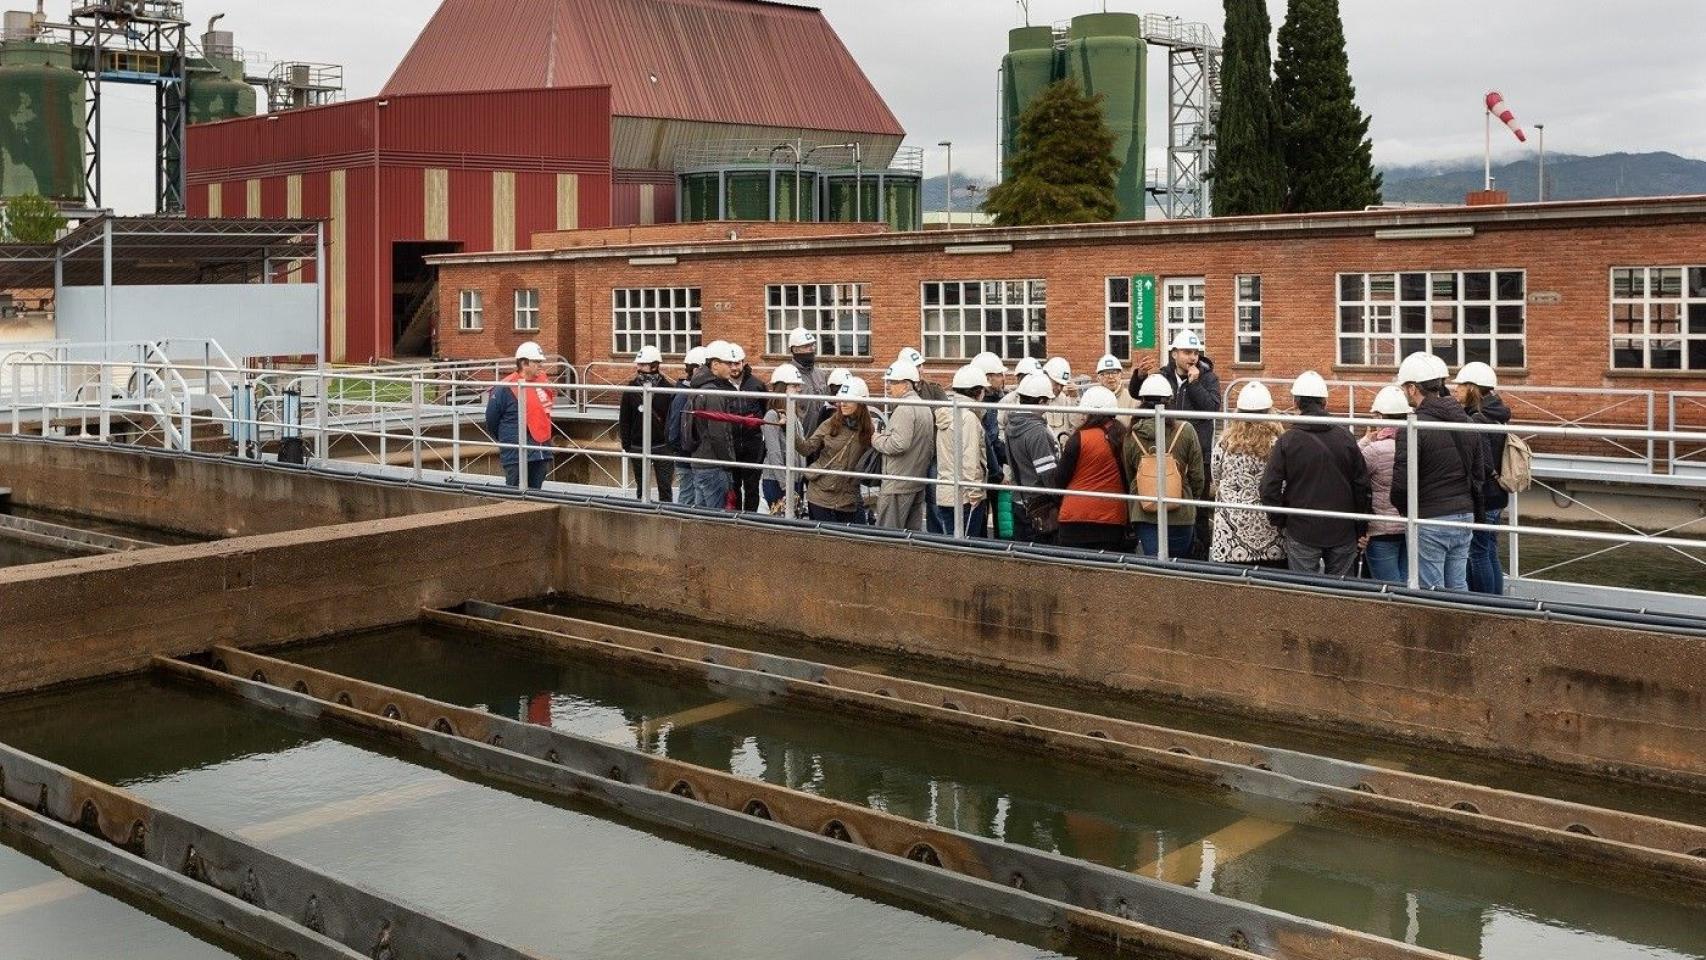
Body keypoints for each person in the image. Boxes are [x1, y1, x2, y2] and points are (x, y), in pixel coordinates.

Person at [1259, 371, 1371, 577]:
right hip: (1342, 529)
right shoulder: (1345, 437)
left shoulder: (1288, 440)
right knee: (1341, 593)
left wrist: (1281, 520)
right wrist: (1360, 527)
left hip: (1302, 529)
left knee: (1304, 594)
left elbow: (1269, 488)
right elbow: (1362, 485)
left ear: (1296, 402)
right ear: (1325, 402)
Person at [1391, 352, 1486, 591]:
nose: (1404, 393)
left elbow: (1402, 484)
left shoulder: (1413, 428)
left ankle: (1435, 630)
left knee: (1431, 590)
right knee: (1458, 585)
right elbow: (1478, 473)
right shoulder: (1465, 421)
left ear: (1413, 388)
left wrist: (1407, 512)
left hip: (1430, 517)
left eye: (1405, 388)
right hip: (1464, 514)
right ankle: (1463, 627)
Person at [1138, 331, 1221, 559]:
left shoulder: (1208, 378)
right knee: (1164, 503)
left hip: (1198, 453)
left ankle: (1200, 557)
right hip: (1166, 451)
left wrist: (1194, 385)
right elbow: (1140, 395)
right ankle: (1166, 550)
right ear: (1174, 354)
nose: (1192, 357)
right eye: (1186, 352)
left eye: (1195, 352)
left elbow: (1212, 409)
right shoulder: (1163, 375)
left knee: (1199, 508)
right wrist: (1140, 376)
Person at [1125, 374, 1205, 558]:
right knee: (1180, 566)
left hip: (1144, 514)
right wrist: (1189, 496)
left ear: (1142, 401)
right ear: (1170, 400)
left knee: (1154, 567)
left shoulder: (1131, 434)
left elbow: (1130, 474)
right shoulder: (1186, 430)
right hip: (1181, 514)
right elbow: (1197, 476)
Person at [1209, 382, 1286, 567]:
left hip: (1231, 534)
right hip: (1270, 529)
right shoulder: (1279, 443)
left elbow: (1215, 475)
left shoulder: (1225, 443)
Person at [1052, 385, 1132, 551]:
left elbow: (1059, 478)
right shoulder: (1123, 436)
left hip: (1074, 519)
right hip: (1113, 519)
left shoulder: (1079, 438)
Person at [794, 376, 874, 524]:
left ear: (861, 403)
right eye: (841, 400)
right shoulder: (830, 423)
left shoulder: (869, 430)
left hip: (848, 498)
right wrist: (789, 429)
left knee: (853, 542)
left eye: (847, 400)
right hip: (820, 494)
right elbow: (806, 449)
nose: (842, 403)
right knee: (824, 543)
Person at [870, 358, 936, 530]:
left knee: (887, 535)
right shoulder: (924, 406)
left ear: (906, 384)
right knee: (910, 536)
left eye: (893, 382)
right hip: (915, 480)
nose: (888, 387)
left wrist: (876, 438)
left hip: (898, 483)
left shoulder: (904, 409)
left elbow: (898, 444)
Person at [678, 340, 745, 509]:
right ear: (715, 365)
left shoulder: (698, 387)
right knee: (716, 517)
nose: (732, 367)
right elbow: (718, 433)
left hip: (699, 461)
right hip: (713, 464)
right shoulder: (713, 393)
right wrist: (729, 461)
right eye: (728, 363)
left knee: (701, 514)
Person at [1359, 385, 1413, 584]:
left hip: (1381, 530)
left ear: (1380, 417)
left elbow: (1352, 469)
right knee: (1408, 581)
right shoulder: (1415, 443)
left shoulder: (1374, 450)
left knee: (1388, 586)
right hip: (1409, 526)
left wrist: (1365, 440)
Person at [484, 340, 554, 490]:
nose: (541, 366)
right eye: (536, 362)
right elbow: (491, 419)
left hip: (540, 452)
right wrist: (507, 440)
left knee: (536, 494)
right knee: (514, 493)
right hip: (515, 454)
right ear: (524, 363)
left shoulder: (542, 384)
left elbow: (545, 415)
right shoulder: (505, 388)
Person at [1004, 372, 1061, 544]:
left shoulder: (1012, 424)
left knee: (1024, 558)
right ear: (1042, 401)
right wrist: (1062, 497)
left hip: (1020, 500)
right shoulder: (1036, 431)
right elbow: (1048, 474)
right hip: (1040, 506)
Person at [934, 363, 989, 537]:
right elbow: (970, 459)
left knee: (952, 546)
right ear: (977, 391)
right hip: (965, 497)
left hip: (945, 492)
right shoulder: (969, 417)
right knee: (966, 549)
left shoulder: (946, 413)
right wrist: (975, 493)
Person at [617, 345, 674, 502]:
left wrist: (670, 444)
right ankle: (643, 516)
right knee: (641, 488)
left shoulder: (668, 389)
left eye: (642, 364)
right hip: (638, 445)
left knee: (665, 487)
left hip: (662, 446)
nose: (639, 368)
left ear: (655, 366)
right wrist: (627, 444)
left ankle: (666, 518)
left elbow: (672, 419)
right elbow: (624, 418)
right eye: (638, 364)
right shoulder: (631, 389)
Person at [728, 344, 768, 511]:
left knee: (752, 487)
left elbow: (765, 410)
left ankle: (751, 519)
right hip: (732, 444)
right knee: (734, 486)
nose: (734, 367)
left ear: (743, 363)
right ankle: (735, 520)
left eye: (737, 363)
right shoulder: (721, 385)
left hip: (753, 444)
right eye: (730, 364)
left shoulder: (756, 385)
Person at [761, 363, 804, 514]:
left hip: (794, 480)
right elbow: (774, 452)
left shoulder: (794, 414)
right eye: (794, 385)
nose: (799, 389)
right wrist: (785, 485)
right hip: (777, 481)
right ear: (782, 387)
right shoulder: (772, 415)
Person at [667, 345, 707, 505]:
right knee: (687, 497)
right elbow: (674, 432)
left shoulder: (688, 393)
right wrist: (688, 450)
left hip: (691, 457)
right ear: (697, 369)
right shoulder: (684, 396)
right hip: (687, 459)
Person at [788, 326, 833, 436]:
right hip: (798, 440)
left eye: (812, 345)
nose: (812, 349)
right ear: (795, 349)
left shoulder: (821, 374)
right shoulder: (788, 375)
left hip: (820, 439)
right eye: (806, 346)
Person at [1094, 354, 1137, 426]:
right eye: (1106, 373)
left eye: (1114, 373)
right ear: (1099, 378)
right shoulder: (1093, 397)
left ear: (1120, 375)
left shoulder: (1131, 397)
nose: (1110, 377)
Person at [1042, 356, 1078, 439]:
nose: (1059, 388)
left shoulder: (1066, 400)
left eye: (1062, 385)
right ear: (1046, 376)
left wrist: (1075, 398)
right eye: (1056, 383)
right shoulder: (1034, 400)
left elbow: (1077, 424)